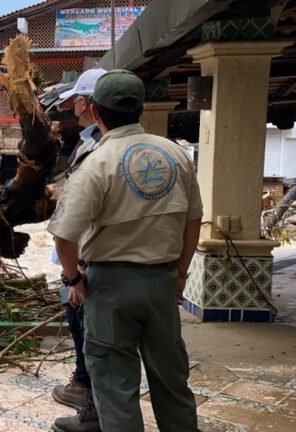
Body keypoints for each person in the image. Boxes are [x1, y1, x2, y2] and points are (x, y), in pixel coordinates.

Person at [47, 69, 202, 432]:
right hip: (162, 282)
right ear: (141, 109)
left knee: (116, 387)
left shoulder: (97, 162)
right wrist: (179, 274)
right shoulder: (177, 155)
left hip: (110, 287)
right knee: (172, 382)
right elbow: (193, 221)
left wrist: (74, 279)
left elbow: (64, 237)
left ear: (96, 111)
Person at [44, 68, 108, 432]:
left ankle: (89, 397)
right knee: (78, 319)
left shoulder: (102, 149)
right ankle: (85, 384)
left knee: (86, 323)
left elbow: (71, 227)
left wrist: (74, 274)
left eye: (77, 102)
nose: (73, 109)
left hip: (86, 255)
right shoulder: (89, 142)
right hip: (80, 253)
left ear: (88, 104)